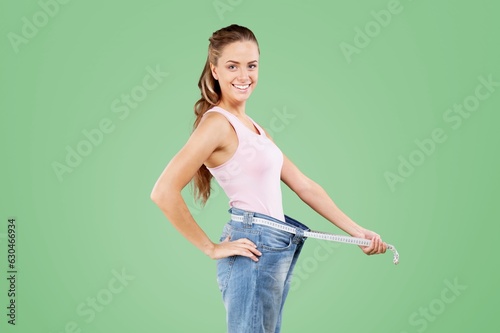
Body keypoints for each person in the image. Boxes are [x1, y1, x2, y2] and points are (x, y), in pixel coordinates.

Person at [150, 24, 387, 333]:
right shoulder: (217, 125)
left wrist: (358, 233)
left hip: (273, 248)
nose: (244, 75)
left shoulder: (256, 129)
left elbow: (304, 185)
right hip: (252, 247)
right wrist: (211, 248)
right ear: (215, 69)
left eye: (252, 65)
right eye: (232, 66)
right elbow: (163, 191)